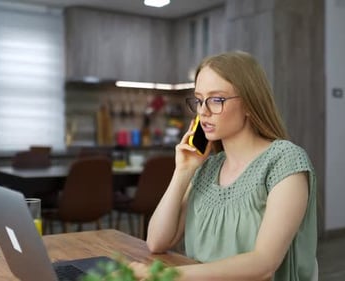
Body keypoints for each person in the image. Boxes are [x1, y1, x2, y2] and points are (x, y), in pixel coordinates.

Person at [130, 51, 317, 281]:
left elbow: (264, 264)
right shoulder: (207, 168)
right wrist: (183, 172)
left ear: (250, 103)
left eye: (216, 99)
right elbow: (157, 241)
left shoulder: (285, 161)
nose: (203, 111)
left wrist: (165, 275)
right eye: (199, 100)